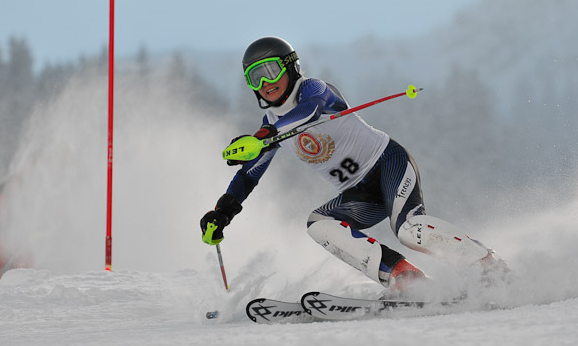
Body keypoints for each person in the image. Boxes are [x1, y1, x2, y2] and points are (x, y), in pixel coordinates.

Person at [200, 36, 507, 297]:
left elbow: (311, 111)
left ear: (291, 66)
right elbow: (248, 176)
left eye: (270, 71)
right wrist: (222, 212)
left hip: (388, 164)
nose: (265, 83)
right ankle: (406, 281)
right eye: (255, 78)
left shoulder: (314, 90)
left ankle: (488, 267)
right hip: (359, 194)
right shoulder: (270, 127)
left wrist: (265, 136)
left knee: (409, 230)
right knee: (318, 223)